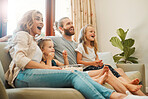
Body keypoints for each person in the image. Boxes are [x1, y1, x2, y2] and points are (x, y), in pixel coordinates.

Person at [4, 10, 134, 99]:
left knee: (76, 73)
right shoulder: (22, 35)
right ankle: (115, 96)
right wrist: (49, 68)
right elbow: (20, 60)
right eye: (37, 19)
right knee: (72, 75)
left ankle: (116, 95)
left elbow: (17, 41)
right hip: (21, 76)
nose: (42, 22)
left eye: (42, 19)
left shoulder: (33, 39)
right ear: (28, 21)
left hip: (30, 74)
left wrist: (8, 37)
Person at [51, 17, 146, 96]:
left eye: (72, 23)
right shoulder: (56, 40)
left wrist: (98, 62)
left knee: (118, 70)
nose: (72, 25)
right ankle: (129, 88)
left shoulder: (77, 44)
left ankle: (140, 95)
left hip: (84, 69)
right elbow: (41, 43)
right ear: (61, 28)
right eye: (68, 24)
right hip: (79, 70)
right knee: (107, 71)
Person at [37, 38, 109, 85]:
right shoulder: (42, 62)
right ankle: (97, 79)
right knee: (77, 75)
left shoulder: (54, 61)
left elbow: (65, 66)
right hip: (56, 79)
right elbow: (49, 73)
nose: (53, 49)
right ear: (42, 50)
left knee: (77, 73)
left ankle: (97, 78)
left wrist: (65, 58)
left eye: (53, 47)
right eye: (50, 47)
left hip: (63, 75)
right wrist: (49, 60)